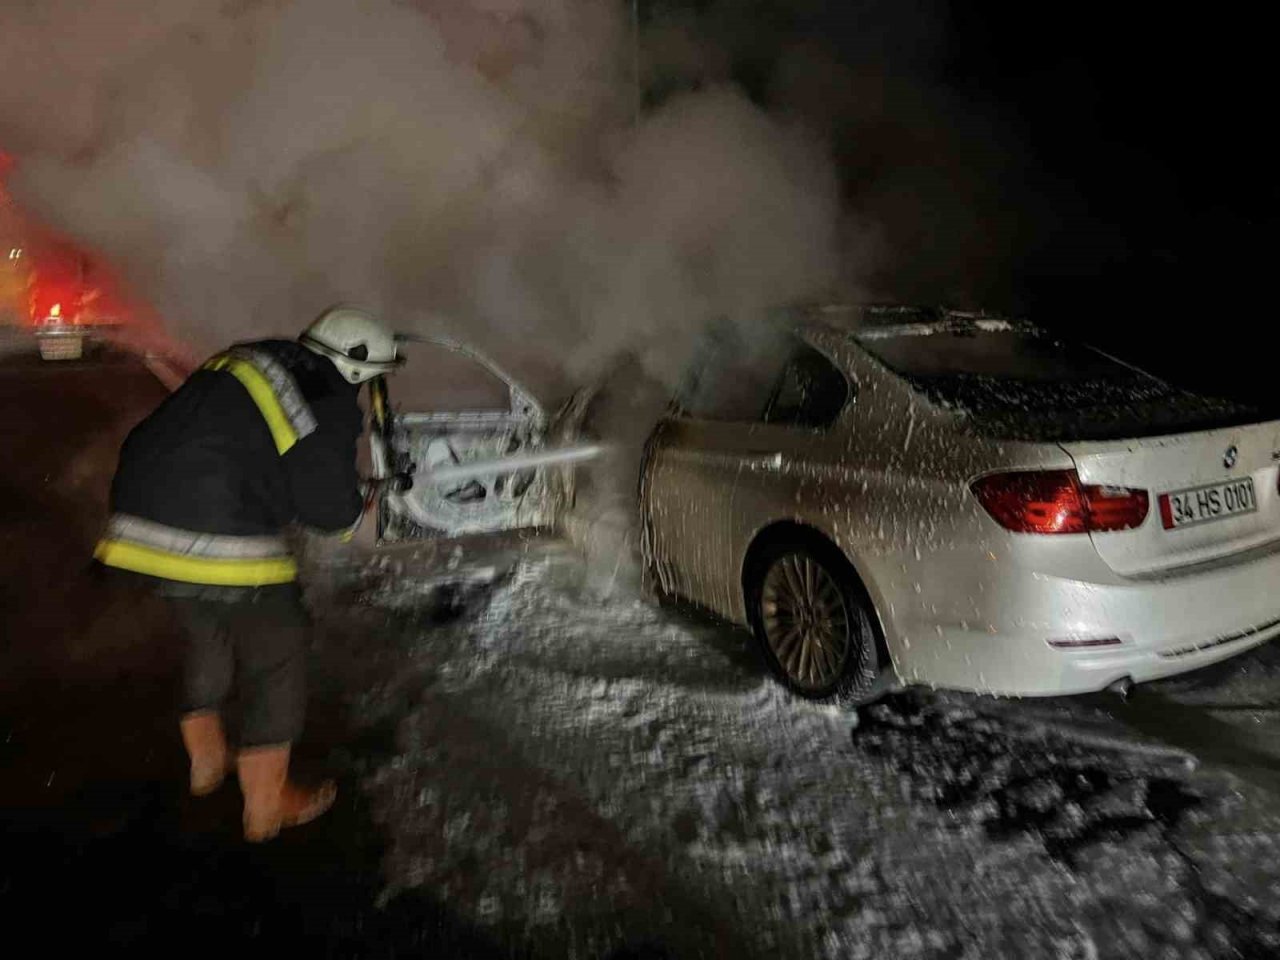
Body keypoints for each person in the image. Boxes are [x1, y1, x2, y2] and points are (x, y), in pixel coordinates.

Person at [95, 305, 403, 841]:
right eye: (372, 377)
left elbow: (251, 443)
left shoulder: (252, 356)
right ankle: (266, 806)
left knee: (206, 632)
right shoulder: (327, 396)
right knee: (277, 653)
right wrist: (363, 507)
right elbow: (331, 516)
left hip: (135, 513)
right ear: (354, 367)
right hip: (213, 522)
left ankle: (206, 762)